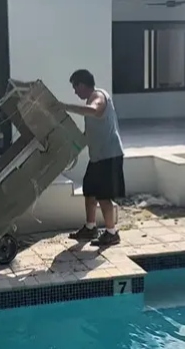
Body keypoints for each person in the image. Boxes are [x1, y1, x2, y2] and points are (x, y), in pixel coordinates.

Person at [60, 69, 125, 247]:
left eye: (75, 88)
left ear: (82, 85)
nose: (75, 92)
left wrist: (65, 106)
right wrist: (73, 150)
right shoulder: (90, 100)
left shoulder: (98, 96)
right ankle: (90, 228)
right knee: (89, 191)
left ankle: (111, 233)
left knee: (104, 196)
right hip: (97, 157)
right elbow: (89, 134)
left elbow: (95, 110)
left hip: (109, 156)